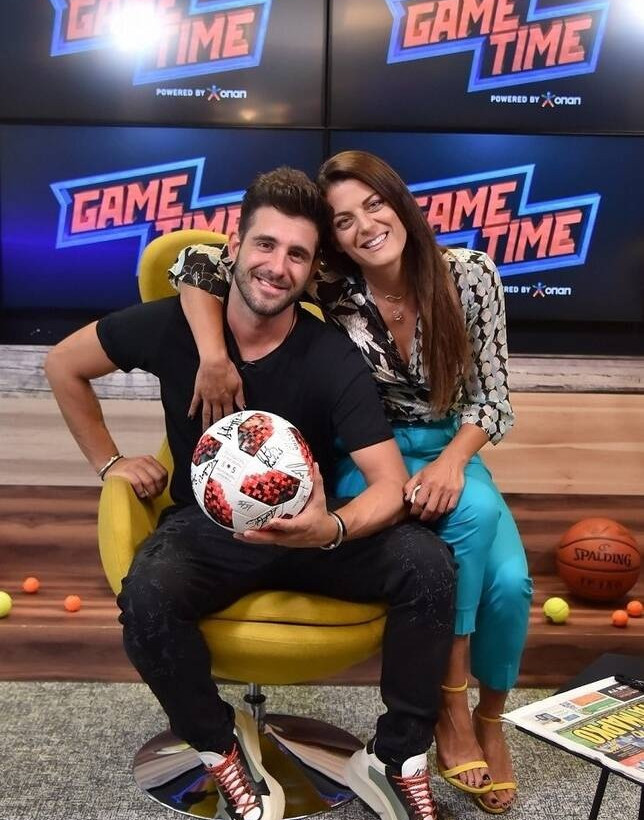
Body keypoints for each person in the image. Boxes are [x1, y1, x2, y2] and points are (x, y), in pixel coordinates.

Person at [45, 167, 456, 820]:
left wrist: (332, 529)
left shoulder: (329, 355)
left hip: (310, 530)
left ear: (311, 270)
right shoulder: (174, 327)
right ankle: (219, 745)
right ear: (233, 249)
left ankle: (396, 756)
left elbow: (388, 484)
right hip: (210, 531)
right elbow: (63, 364)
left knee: (428, 564)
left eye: (297, 254)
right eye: (265, 245)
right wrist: (110, 462)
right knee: (146, 594)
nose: (277, 266)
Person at [166, 152, 533, 814]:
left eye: (374, 204)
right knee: (474, 523)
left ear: (400, 202)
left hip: (452, 447)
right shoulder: (332, 284)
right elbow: (194, 262)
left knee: (511, 585)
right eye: (343, 220)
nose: (364, 226)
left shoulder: (471, 275)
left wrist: (453, 461)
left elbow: (493, 398)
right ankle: (450, 708)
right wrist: (213, 356)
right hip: (370, 450)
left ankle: (490, 718)